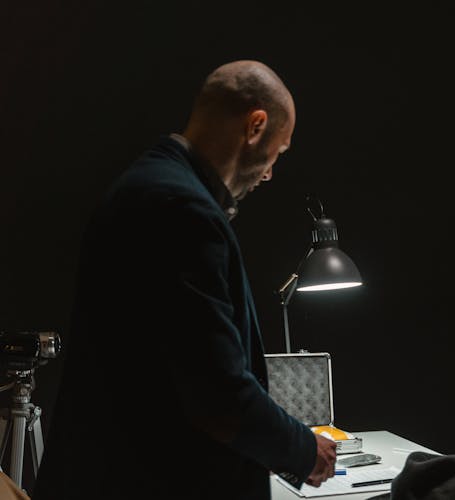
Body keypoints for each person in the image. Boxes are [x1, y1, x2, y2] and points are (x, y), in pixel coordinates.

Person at [32, 60, 337, 500]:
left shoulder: (150, 184)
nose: (269, 172)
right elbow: (218, 395)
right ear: (256, 126)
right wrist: (303, 450)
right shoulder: (182, 208)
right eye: (278, 151)